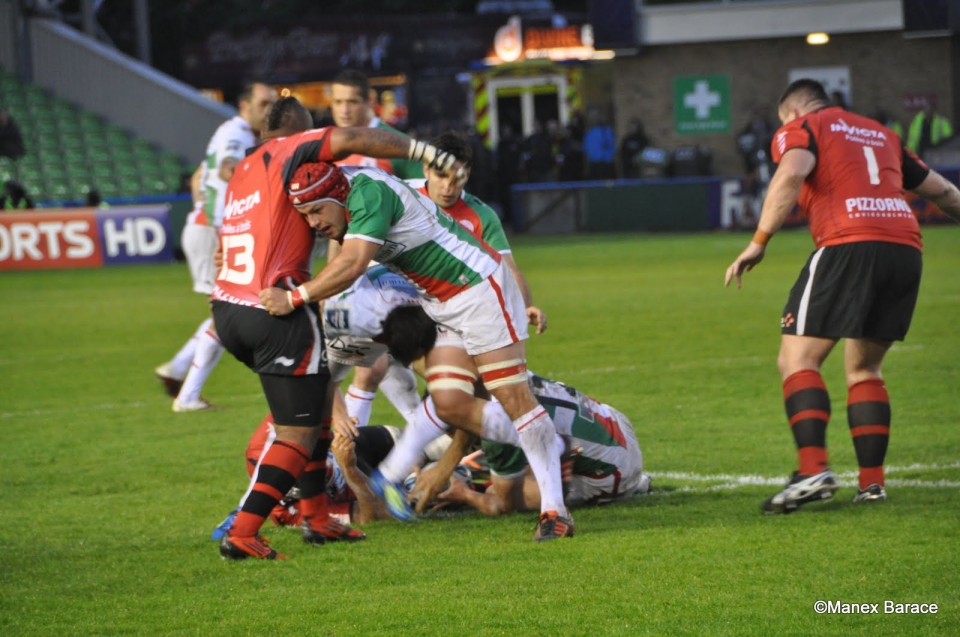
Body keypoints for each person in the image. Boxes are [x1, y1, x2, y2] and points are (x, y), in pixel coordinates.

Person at [258, 155, 573, 541]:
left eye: (317, 212)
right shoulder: (347, 187)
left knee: (512, 396)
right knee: (450, 403)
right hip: (439, 301)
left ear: (338, 195)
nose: (314, 223)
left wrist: (294, 298)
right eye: (305, 215)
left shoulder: (369, 196)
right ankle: (550, 444)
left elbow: (354, 263)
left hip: (477, 290)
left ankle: (555, 511)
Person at [211, 115, 461, 559]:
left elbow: (223, 245)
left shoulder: (243, 172)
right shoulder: (293, 152)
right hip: (274, 308)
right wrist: (423, 152)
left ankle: (316, 518)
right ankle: (243, 528)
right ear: (298, 132)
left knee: (316, 418)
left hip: (229, 307)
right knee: (297, 434)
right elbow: (356, 139)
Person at [724, 78, 960, 514]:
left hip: (848, 242)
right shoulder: (882, 134)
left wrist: (759, 241)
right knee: (865, 367)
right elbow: (944, 193)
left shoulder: (804, 127)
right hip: (905, 249)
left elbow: (791, 171)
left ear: (792, 113)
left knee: (797, 359)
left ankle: (812, 469)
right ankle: (871, 485)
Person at [154, 81, 276, 411]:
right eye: (264, 104)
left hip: (211, 228)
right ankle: (187, 393)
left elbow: (199, 177)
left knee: (227, 311)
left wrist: (206, 209)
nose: (270, 111)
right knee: (228, 313)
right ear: (244, 106)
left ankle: (178, 371)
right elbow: (226, 170)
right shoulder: (236, 133)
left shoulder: (235, 134)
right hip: (214, 232)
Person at [583, 109, 616, 180]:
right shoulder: (589, 133)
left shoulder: (607, 131)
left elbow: (611, 146)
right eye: (592, 116)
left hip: (606, 164)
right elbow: (586, 150)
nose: (595, 118)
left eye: (596, 116)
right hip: (594, 165)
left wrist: (609, 159)